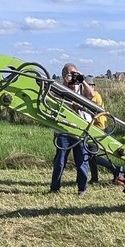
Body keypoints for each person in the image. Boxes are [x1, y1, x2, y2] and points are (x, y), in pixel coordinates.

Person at [49, 63, 93, 195]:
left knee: (82, 161)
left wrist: (82, 79)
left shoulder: (81, 88)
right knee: (60, 161)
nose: (73, 77)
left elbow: (91, 95)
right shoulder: (60, 89)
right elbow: (53, 98)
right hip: (64, 130)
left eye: (74, 73)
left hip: (81, 130)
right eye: (70, 74)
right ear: (64, 76)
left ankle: (82, 188)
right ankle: (54, 188)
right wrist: (66, 84)